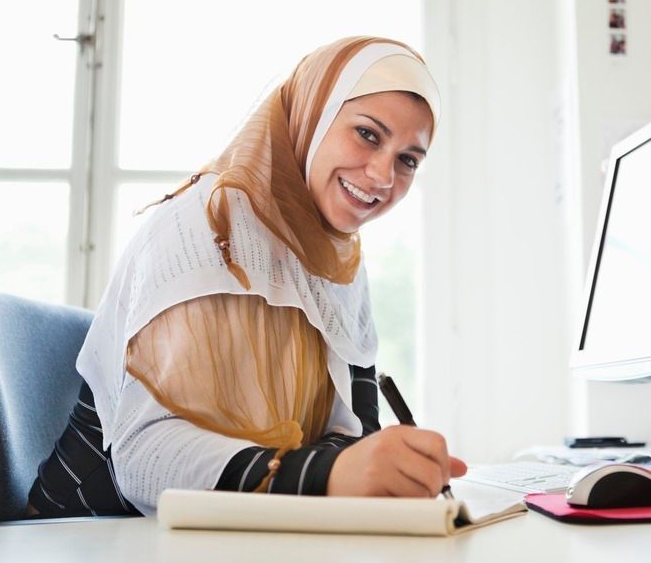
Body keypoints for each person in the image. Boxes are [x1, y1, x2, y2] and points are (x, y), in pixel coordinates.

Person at [27, 36, 466, 518]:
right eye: (367, 134)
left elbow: (353, 429)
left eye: (408, 160)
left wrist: (389, 469)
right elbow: (143, 462)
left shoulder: (336, 255)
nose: (384, 176)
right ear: (313, 118)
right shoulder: (206, 226)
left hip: (238, 532)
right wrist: (334, 474)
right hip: (94, 534)